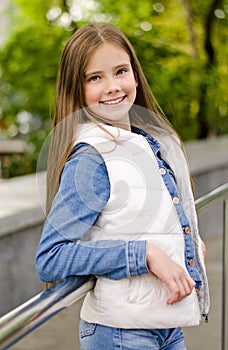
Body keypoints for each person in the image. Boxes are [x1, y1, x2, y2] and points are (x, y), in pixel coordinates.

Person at [36, 23, 210, 349]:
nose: (113, 86)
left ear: (135, 74)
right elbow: (51, 257)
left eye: (121, 71)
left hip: (165, 324)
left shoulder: (145, 145)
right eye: (95, 78)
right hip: (121, 334)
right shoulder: (90, 159)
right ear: (77, 88)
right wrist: (144, 255)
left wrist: (184, 238)